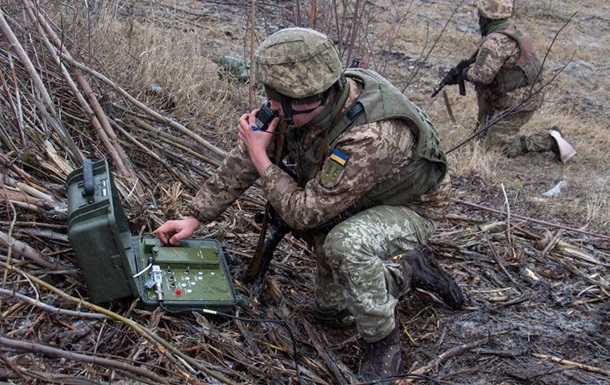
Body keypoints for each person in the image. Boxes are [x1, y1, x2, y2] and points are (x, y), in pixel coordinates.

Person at [155, 27, 464, 381]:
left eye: (276, 103)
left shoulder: (371, 136)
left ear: (310, 99)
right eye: (269, 98)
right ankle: (407, 272)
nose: (269, 109)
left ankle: (383, 341)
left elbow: (303, 212)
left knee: (345, 246)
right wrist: (196, 217)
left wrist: (262, 158)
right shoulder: (300, 102)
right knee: (331, 312)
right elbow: (247, 155)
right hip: (358, 193)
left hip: (411, 206)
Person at [451, 0, 575, 162]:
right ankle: (486, 131)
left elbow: (481, 76)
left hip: (518, 103)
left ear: (485, 18)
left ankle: (548, 140)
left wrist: (464, 73)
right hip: (522, 96)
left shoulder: (495, 42)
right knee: (481, 140)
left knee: (493, 148)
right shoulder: (513, 31)